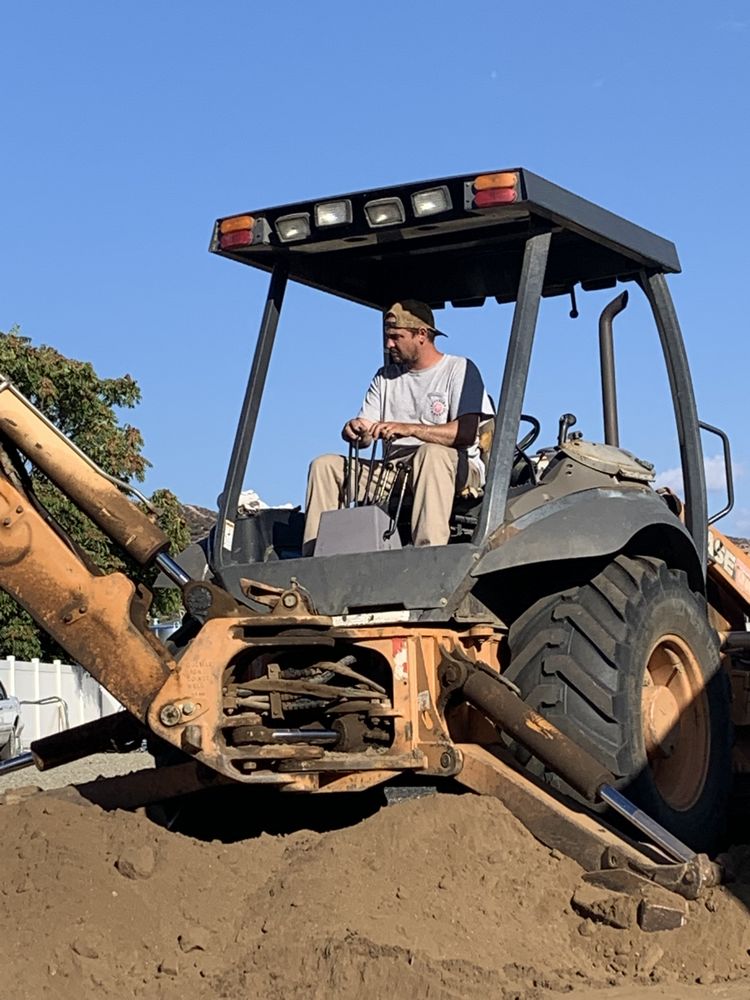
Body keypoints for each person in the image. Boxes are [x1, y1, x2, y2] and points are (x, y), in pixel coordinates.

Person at [303, 300, 494, 554]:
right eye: (387, 337)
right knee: (325, 466)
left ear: (422, 335)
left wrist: (409, 429)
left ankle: (428, 554)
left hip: (453, 465)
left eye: (396, 337)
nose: (388, 344)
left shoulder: (459, 369)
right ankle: (316, 557)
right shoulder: (385, 377)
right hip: (395, 471)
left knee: (430, 454)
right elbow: (368, 433)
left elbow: (465, 433)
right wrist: (356, 430)